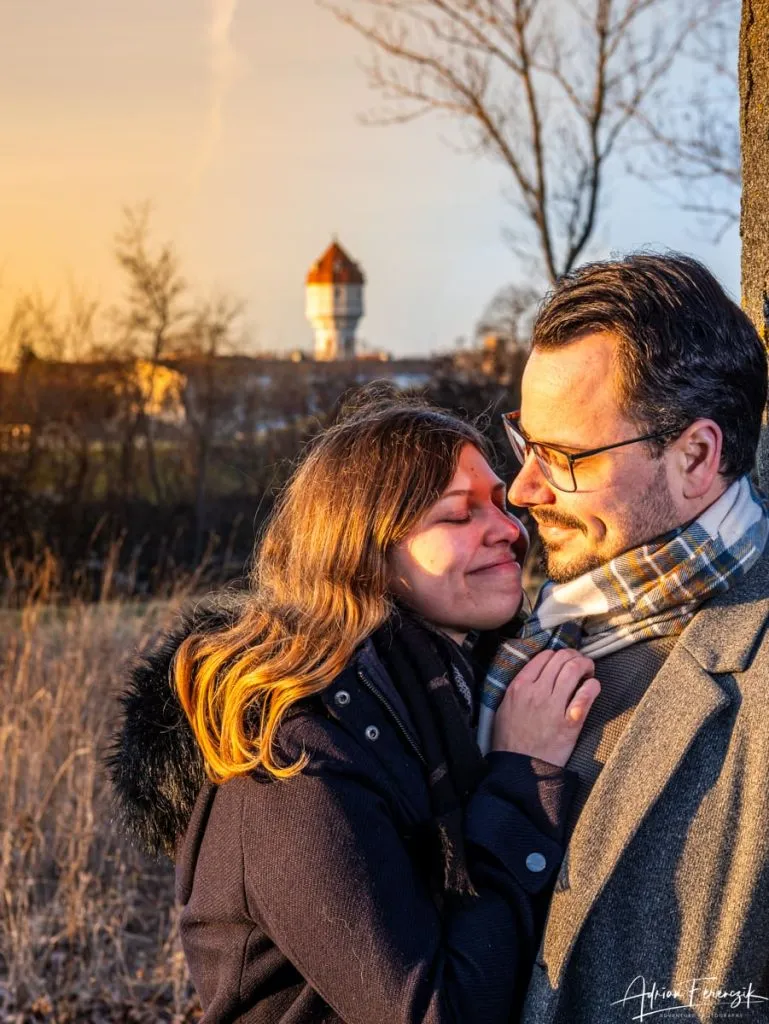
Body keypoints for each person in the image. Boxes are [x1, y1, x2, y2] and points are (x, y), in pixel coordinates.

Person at [109, 396, 601, 1024]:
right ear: (364, 550)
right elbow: (436, 1013)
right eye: (458, 515)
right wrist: (522, 776)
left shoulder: (468, 689)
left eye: (503, 505)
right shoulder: (289, 753)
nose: (510, 530)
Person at [480, 253, 769, 1024]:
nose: (522, 490)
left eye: (565, 457)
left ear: (695, 457)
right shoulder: (509, 627)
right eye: (525, 444)